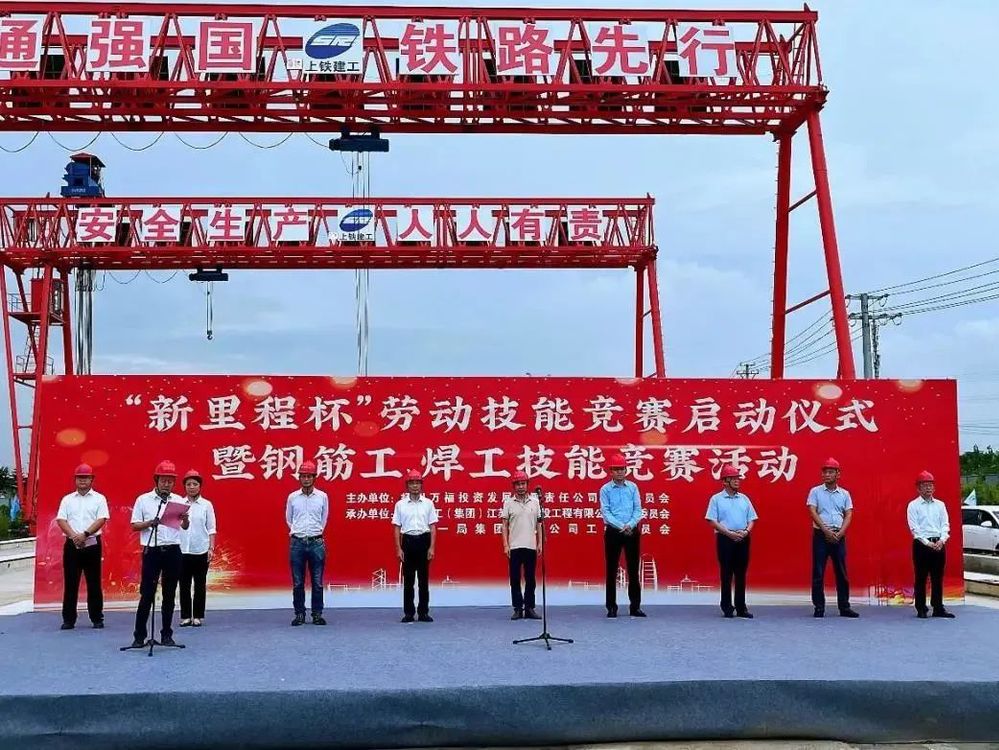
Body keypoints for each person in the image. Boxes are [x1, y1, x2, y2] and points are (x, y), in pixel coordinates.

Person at [129, 460, 189, 648]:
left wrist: (185, 519)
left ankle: (167, 635)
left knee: (169, 595)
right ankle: (139, 636)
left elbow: (185, 527)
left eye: (170, 481)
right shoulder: (143, 500)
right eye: (163, 480)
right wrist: (150, 523)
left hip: (173, 550)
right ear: (156, 480)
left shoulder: (179, 500)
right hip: (152, 551)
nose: (167, 484)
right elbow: (134, 525)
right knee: (147, 594)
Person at [55, 464, 110, 630]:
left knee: (94, 583)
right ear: (75, 480)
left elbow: (101, 519)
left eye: (86, 478)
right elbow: (61, 519)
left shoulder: (99, 499)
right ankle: (69, 619)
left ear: (92, 479)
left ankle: (97, 618)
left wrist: (85, 534)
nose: (83, 481)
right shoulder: (67, 499)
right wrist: (74, 536)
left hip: (92, 543)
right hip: (72, 545)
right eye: (80, 478)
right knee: (71, 583)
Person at [806, 458, 859, 618]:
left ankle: (844, 607)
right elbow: (812, 511)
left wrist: (841, 532)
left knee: (841, 573)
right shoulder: (815, 492)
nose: (827, 475)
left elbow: (848, 514)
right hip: (821, 536)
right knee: (818, 573)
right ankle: (819, 607)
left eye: (830, 472)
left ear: (838, 474)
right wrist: (825, 530)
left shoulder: (844, 494)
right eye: (825, 472)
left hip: (839, 536)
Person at [705, 465, 757, 619]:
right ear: (725, 481)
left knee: (741, 574)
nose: (737, 481)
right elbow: (712, 520)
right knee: (726, 573)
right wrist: (729, 533)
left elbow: (752, 519)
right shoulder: (716, 499)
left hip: (743, 538)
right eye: (733, 479)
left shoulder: (744, 498)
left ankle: (741, 608)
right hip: (725, 539)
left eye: (738, 478)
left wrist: (746, 531)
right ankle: (727, 607)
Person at [599, 452, 645, 618]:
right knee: (611, 570)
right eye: (616, 469)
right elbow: (606, 512)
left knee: (633, 570)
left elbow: (638, 510)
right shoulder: (605, 489)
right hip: (613, 531)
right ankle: (611, 607)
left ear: (626, 470)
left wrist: (630, 525)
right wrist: (621, 526)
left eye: (622, 469)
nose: (619, 472)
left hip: (631, 531)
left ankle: (635, 607)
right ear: (611, 471)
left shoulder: (633, 487)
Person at [907, 470, 955, 619]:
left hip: (939, 544)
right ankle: (921, 608)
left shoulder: (940, 505)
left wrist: (942, 540)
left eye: (930, 485)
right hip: (922, 545)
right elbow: (914, 529)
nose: (928, 488)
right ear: (918, 488)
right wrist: (928, 543)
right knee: (921, 577)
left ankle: (938, 607)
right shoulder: (913, 505)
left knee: (937, 577)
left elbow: (945, 524)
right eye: (924, 485)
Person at [286, 460, 328, 626]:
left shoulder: (322, 496)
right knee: (298, 583)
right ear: (299, 478)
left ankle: (317, 614)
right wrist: (299, 532)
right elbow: (289, 519)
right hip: (297, 543)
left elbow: (324, 518)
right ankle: (299, 614)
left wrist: (315, 532)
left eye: (309, 476)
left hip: (316, 542)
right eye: (303, 476)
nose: (306, 479)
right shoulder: (293, 497)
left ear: (314, 478)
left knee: (317, 582)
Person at [392, 470, 438, 623]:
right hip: (408, 542)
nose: (415, 486)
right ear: (407, 486)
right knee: (409, 582)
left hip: (424, 540)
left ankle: (423, 612)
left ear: (421, 485)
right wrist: (398, 548)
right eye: (412, 483)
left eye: (417, 482)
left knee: (424, 581)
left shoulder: (428, 503)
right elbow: (397, 527)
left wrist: (431, 547)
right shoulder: (400, 505)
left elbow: (432, 527)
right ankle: (409, 613)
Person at [178, 469, 217, 628]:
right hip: (182, 550)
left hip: (201, 549)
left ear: (200, 486)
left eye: (195, 484)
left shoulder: (206, 505)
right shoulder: (179, 504)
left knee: (200, 585)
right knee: (184, 585)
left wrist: (211, 548)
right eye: (188, 484)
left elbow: (211, 528)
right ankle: (186, 616)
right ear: (184, 486)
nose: (192, 487)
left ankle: (198, 616)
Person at [501, 470, 542, 620]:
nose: (521, 487)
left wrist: (540, 543)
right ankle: (518, 608)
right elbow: (504, 526)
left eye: (523, 483)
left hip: (530, 545)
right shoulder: (508, 503)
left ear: (527, 485)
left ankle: (530, 608)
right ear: (514, 486)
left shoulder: (535, 502)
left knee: (530, 579)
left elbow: (539, 524)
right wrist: (505, 545)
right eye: (518, 484)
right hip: (514, 546)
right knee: (515, 579)